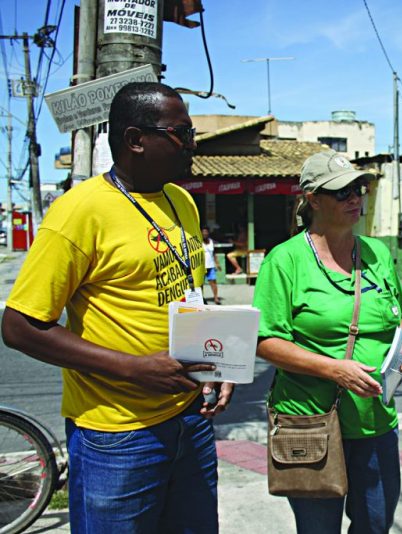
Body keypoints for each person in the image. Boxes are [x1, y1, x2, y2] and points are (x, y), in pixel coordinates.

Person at [1, 82, 234, 532]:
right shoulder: (79, 212)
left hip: (190, 418)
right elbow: (19, 326)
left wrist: (218, 364)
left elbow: (187, 295)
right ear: (135, 139)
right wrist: (132, 368)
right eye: (181, 133)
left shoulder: (181, 201)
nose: (192, 144)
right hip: (119, 435)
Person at [254, 149, 402, 534]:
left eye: (358, 189)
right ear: (313, 199)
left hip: (376, 422)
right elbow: (265, 342)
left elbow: (398, 314)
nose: (354, 199)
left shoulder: (377, 253)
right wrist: (334, 370)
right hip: (311, 423)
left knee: (376, 524)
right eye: (342, 192)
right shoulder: (285, 260)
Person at [203, 226, 222, 304]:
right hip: (202, 267)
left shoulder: (211, 242)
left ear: (208, 233)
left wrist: (217, 263)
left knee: (213, 282)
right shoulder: (199, 242)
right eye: (203, 232)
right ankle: (200, 299)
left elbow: (214, 253)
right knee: (200, 284)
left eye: (206, 232)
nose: (204, 233)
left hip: (211, 266)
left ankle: (216, 298)